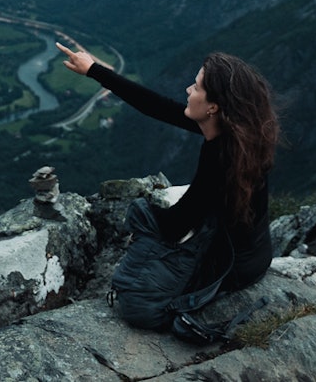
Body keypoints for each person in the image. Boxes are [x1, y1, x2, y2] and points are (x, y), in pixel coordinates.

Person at [56, 39, 279, 329]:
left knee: (140, 225)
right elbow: (157, 106)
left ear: (213, 107)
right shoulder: (237, 134)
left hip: (228, 267)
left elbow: (176, 226)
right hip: (253, 255)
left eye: (196, 87)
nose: (188, 90)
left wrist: (143, 216)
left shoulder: (221, 156)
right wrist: (94, 70)